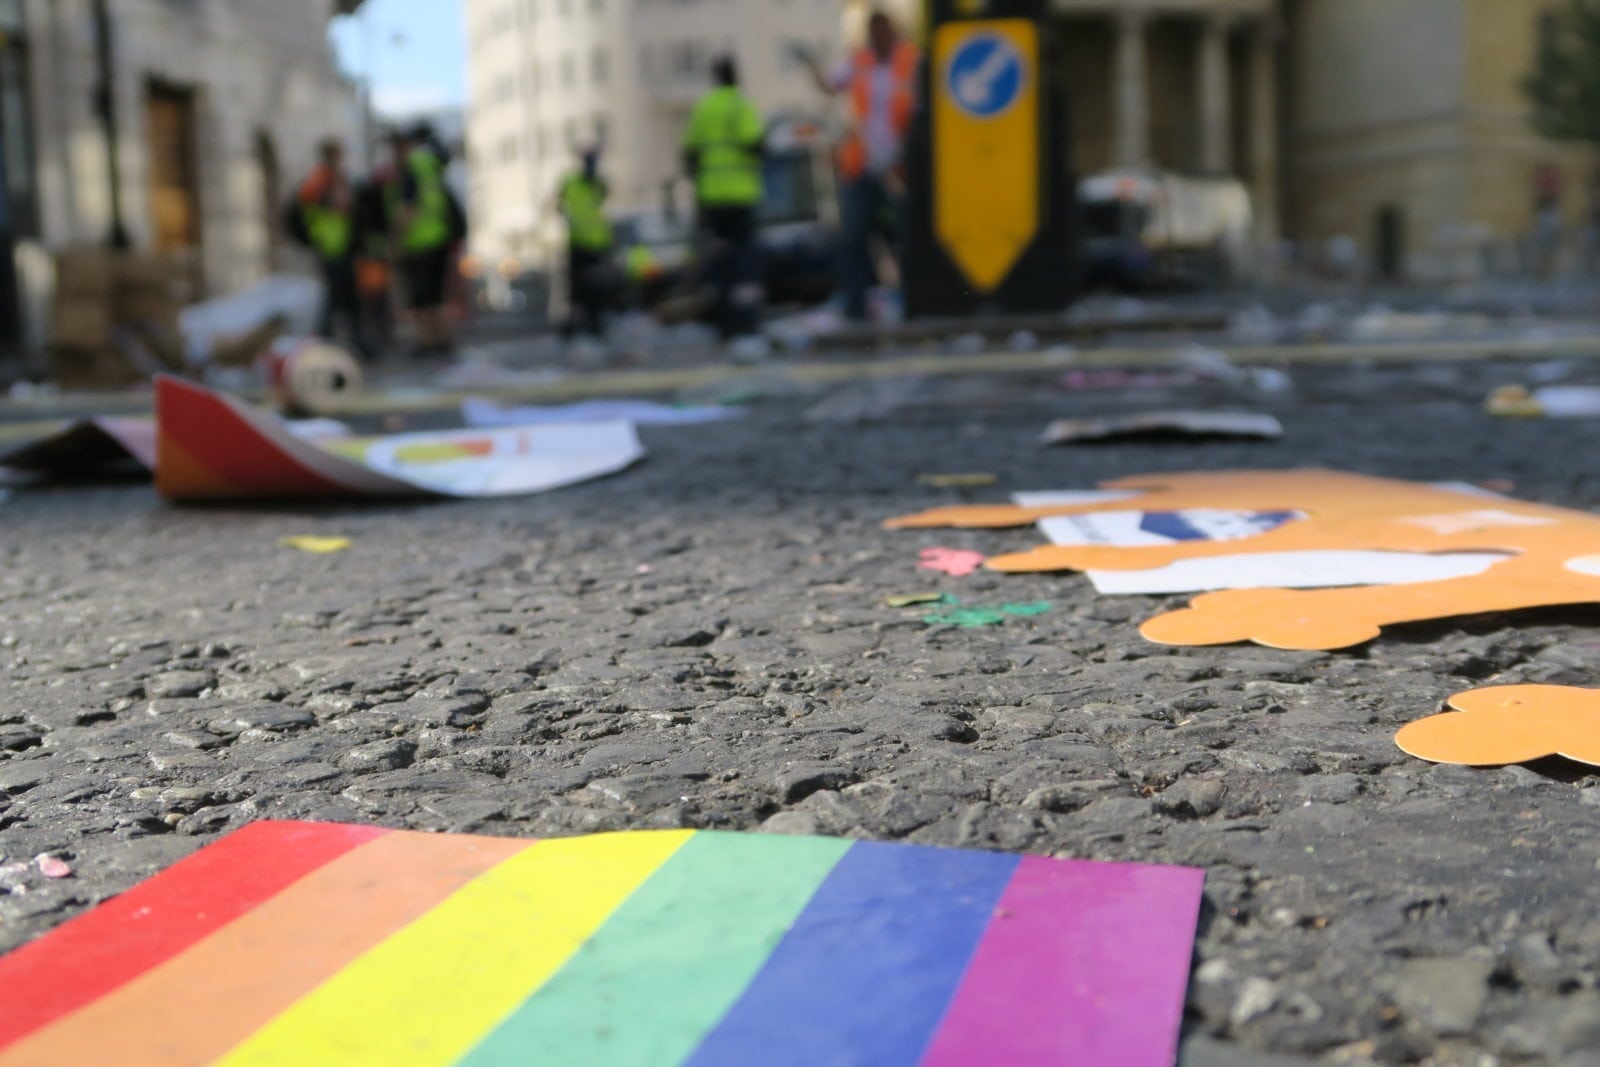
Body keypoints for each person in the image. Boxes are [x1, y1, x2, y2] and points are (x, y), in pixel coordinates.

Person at [801, 9, 920, 322]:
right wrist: (811, 63)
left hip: (898, 168)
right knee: (854, 237)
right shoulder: (859, 61)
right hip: (862, 166)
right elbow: (829, 85)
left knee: (903, 237)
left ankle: (913, 300)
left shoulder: (912, 60)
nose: (878, 37)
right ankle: (858, 304)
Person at [682, 54, 766, 343]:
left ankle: (723, 325)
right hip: (740, 195)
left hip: (711, 197)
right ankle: (747, 326)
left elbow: (689, 154)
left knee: (719, 259)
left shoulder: (703, 107)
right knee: (744, 262)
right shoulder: (741, 104)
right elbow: (755, 144)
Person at [387, 124, 456, 353]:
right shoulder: (429, 164)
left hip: (420, 242)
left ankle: (428, 340)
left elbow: (408, 210)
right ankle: (441, 338)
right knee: (436, 294)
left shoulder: (411, 168)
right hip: (439, 235)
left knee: (423, 297)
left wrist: (395, 241)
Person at [295, 139, 366, 356]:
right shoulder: (320, 179)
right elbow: (311, 206)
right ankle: (326, 342)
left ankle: (350, 341)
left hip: (343, 246)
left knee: (348, 298)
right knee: (332, 298)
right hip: (328, 246)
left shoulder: (338, 178)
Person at [558, 148, 616, 338]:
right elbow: (559, 204)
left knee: (595, 287)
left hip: (596, 244)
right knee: (578, 288)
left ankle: (595, 323)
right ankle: (580, 324)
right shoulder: (573, 183)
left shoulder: (595, 184)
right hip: (580, 245)